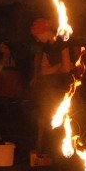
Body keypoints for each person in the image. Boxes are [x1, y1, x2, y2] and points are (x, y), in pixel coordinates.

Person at [30, 17, 72, 162]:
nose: (36, 39)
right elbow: (46, 68)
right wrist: (48, 71)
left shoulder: (61, 42)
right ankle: (49, 153)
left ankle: (61, 157)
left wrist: (50, 71)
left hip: (60, 88)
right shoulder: (46, 45)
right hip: (50, 87)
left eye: (37, 35)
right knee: (47, 119)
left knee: (57, 121)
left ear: (44, 31)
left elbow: (67, 67)